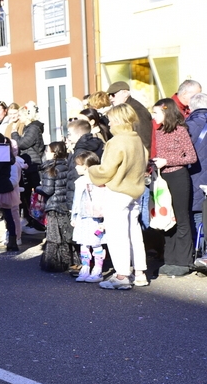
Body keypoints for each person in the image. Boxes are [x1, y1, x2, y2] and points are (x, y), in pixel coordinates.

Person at [88, 104, 150, 289]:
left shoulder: (117, 141)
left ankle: (122, 275)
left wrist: (91, 170)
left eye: (111, 119)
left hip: (118, 191)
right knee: (134, 232)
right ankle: (140, 273)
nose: (109, 123)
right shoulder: (137, 139)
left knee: (117, 234)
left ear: (117, 120)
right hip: (135, 191)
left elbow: (106, 170)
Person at [151, 98, 197, 277]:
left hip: (178, 176)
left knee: (181, 217)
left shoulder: (180, 131)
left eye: (156, 112)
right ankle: (169, 260)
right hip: (162, 177)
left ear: (166, 112)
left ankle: (184, 261)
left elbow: (191, 157)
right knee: (166, 217)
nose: (153, 116)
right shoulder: (159, 131)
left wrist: (167, 161)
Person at [37, 142, 75, 272]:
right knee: (65, 235)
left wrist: (37, 188)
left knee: (53, 236)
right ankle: (70, 261)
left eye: (48, 151)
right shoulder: (67, 166)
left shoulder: (50, 169)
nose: (46, 153)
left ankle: (54, 263)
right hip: (64, 204)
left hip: (53, 205)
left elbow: (48, 190)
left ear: (54, 153)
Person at [71, 151, 107, 282]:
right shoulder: (79, 182)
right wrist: (74, 216)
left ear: (86, 166)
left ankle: (97, 269)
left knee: (96, 243)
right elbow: (76, 201)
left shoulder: (98, 182)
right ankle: (85, 267)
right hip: (82, 217)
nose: (76, 167)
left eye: (78, 165)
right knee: (84, 244)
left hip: (95, 218)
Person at [11, 102, 46, 235]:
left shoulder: (33, 128)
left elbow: (22, 143)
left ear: (27, 115)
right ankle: (31, 220)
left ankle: (38, 224)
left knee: (35, 196)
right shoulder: (28, 128)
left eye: (20, 115)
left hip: (33, 165)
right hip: (29, 164)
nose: (18, 118)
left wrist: (14, 133)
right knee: (28, 195)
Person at [186, 93, 207, 269]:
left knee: (197, 213)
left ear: (191, 107)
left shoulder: (189, 125)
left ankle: (198, 252)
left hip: (194, 174)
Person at [106, 81, 153, 152]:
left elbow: (145, 139)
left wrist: (143, 157)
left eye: (113, 95)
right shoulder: (124, 109)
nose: (110, 98)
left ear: (125, 93)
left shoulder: (137, 110)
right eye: (109, 95)